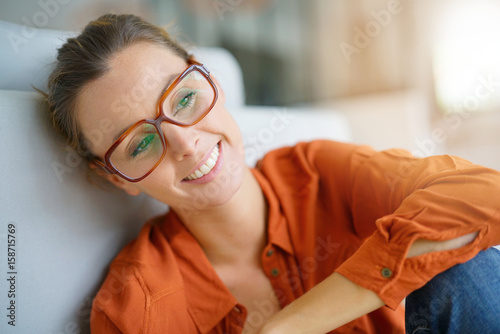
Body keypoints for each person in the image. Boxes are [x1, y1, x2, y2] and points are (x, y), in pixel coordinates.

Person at [43, 13, 500, 334]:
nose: (184, 142)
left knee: (460, 267)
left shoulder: (317, 171)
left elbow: (484, 194)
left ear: (212, 84)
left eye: (184, 99)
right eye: (139, 144)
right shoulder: (137, 306)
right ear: (116, 177)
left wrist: (289, 325)